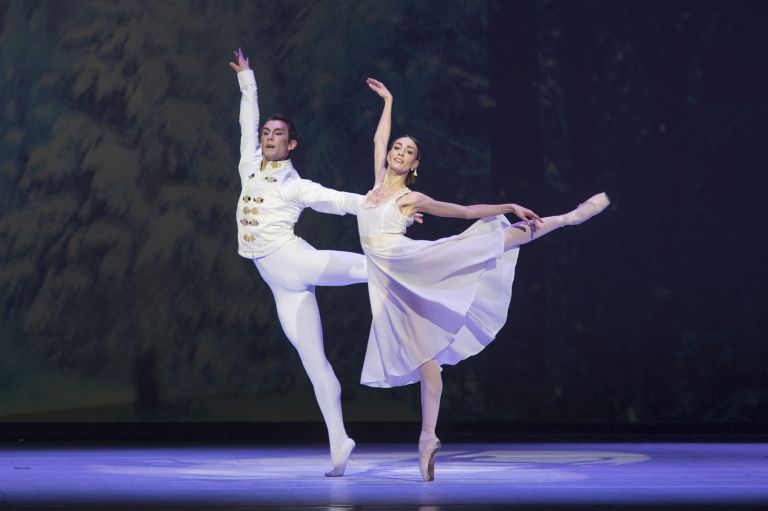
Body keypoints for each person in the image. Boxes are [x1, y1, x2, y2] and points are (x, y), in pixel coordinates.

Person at [358, 78, 610, 482]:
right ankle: (428, 439)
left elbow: (460, 210)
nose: (399, 152)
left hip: (414, 264)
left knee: (495, 240)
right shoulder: (374, 188)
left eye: (409, 152)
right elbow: (377, 138)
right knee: (428, 365)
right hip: (392, 286)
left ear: (414, 166)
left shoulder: (411, 198)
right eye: (397, 148)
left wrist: (508, 204)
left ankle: (566, 218)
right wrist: (389, 101)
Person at [228, 49, 379, 477]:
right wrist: (248, 80)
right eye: (266, 133)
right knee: (315, 364)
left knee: (371, 269)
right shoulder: (248, 164)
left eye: (277, 134)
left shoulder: (294, 184)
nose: (268, 137)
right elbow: (245, 121)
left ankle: (421, 267)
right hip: (282, 287)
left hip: (294, 262)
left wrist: (375, 202)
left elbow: (335, 200)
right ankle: (339, 443)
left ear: (291, 144)